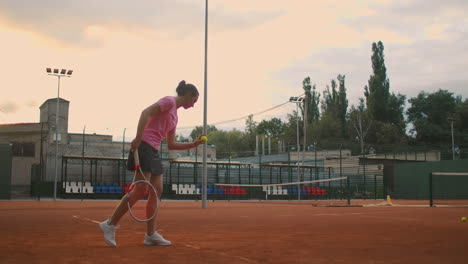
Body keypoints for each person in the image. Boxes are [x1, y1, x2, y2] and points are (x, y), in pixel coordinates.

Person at [99, 80, 205, 247]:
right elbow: (145, 112)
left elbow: (171, 144)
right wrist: (139, 137)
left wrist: (194, 145)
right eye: (194, 101)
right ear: (188, 95)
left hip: (154, 150)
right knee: (140, 190)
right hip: (144, 146)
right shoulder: (169, 101)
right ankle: (110, 224)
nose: (193, 105)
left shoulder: (175, 117)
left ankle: (150, 235)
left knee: (157, 191)